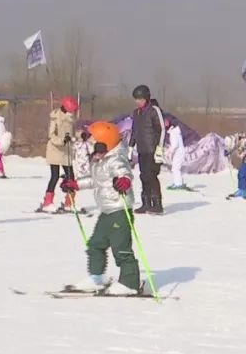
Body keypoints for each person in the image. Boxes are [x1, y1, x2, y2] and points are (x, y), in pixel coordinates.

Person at [60, 121, 141, 295]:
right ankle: (96, 277)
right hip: (106, 211)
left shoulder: (116, 159)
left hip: (120, 210)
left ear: (105, 142)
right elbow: (94, 181)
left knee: (121, 248)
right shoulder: (99, 160)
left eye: (95, 141)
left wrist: (124, 181)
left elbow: (125, 173)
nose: (92, 145)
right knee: (96, 244)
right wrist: (74, 184)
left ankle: (130, 282)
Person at [38, 96, 78, 213]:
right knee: (55, 176)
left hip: (66, 152)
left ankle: (69, 202)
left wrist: (76, 137)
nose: (73, 112)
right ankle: (47, 202)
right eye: (71, 110)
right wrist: (62, 140)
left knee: (71, 177)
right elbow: (51, 135)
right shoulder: (56, 118)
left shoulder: (70, 119)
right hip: (55, 150)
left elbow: (72, 133)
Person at [129, 85, 164, 214]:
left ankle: (157, 204)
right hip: (142, 149)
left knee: (151, 176)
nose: (138, 102)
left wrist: (159, 149)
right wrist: (130, 146)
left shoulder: (154, 110)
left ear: (146, 98)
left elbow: (162, 129)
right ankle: (146, 203)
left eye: (140, 99)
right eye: (136, 99)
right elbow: (135, 131)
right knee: (143, 176)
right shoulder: (136, 112)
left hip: (152, 150)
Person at [165, 118, 189, 191]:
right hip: (178, 153)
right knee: (175, 168)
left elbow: (175, 145)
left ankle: (178, 184)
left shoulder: (173, 133)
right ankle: (177, 182)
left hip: (179, 153)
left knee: (176, 168)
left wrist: (169, 152)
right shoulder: (174, 132)